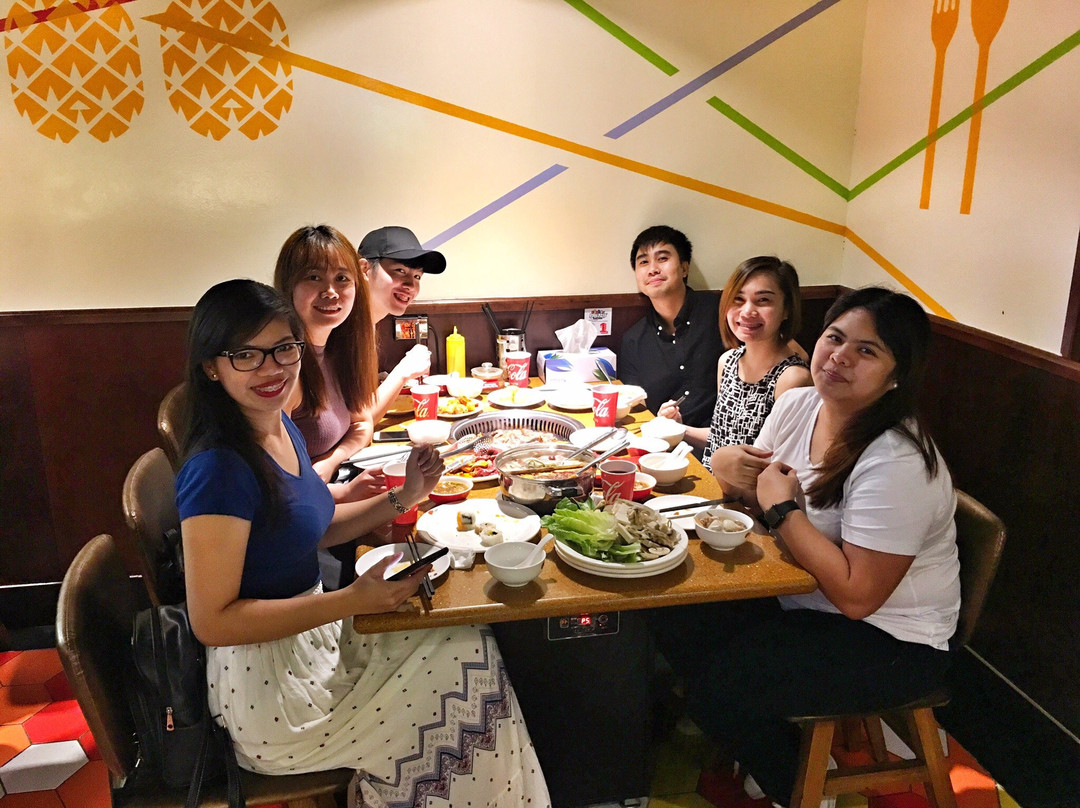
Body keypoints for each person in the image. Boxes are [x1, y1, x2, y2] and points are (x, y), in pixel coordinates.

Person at [176, 279, 551, 808]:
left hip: (313, 639)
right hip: (273, 695)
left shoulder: (276, 424)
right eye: (246, 355)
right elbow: (212, 622)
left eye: (284, 348)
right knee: (466, 688)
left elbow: (316, 528)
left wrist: (405, 495)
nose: (272, 368)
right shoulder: (217, 470)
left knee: (469, 640)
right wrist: (352, 600)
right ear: (211, 367)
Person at [659, 287, 960, 808]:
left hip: (891, 640)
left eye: (867, 350)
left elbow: (858, 597)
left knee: (717, 688)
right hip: (801, 598)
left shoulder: (897, 460)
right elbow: (756, 497)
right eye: (835, 338)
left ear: (897, 375)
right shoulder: (799, 405)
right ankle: (764, 741)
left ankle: (802, 787)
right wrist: (730, 472)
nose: (840, 356)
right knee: (672, 613)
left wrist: (781, 509)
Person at [657, 256, 811, 472]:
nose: (747, 311)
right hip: (713, 483)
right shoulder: (728, 361)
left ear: (787, 309)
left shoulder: (792, 379)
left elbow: (783, 467)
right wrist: (677, 428)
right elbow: (722, 438)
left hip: (748, 493)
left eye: (763, 300)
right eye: (738, 299)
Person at [274, 225, 382, 500]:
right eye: (314, 277)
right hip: (305, 510)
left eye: (342, 278)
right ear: (288, 285)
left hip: (329, 488)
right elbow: (277, 487)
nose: (331, 291)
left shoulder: (337, 350)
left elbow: (362, 423)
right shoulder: (284, 369)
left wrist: (330, 462)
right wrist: (343, 493)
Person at [619, 225, 723, 429]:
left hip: (727, 440)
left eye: (662, 258)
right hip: (663, 441)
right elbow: (635, 408)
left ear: (684, 268)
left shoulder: (722, 314)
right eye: (644, 262)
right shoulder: (634, 340)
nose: (653, 269)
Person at [358, 225, 446, 424]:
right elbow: (361, 418)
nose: (411, 285)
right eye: (400, 271)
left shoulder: (367, 323)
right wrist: (404, 371)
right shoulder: (344, 327)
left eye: (417, 276)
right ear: (365, 269)